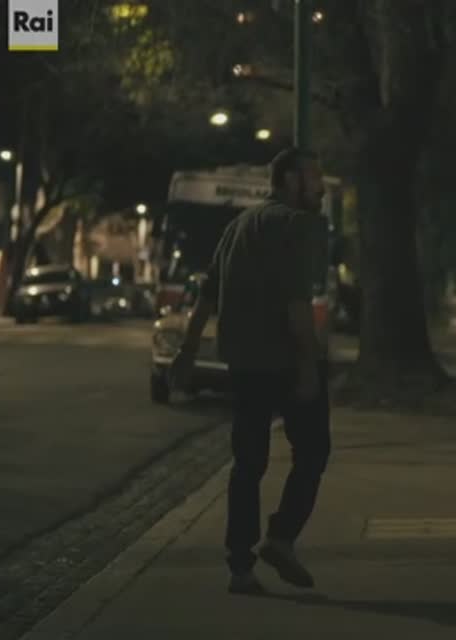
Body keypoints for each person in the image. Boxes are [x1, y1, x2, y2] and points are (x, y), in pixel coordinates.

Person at [169, 147, 330, 595]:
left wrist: (186, 352)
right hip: (286, 360)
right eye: (315, 178)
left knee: (248, 463)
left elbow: (208, 294)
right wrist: (308, 365)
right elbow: (297, 303)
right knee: (313, 451)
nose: (320, 187)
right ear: (291, 180)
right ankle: (281, 537)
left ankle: (240, 565)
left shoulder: (238, 225)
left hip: (244, 362)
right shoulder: (296, 225)